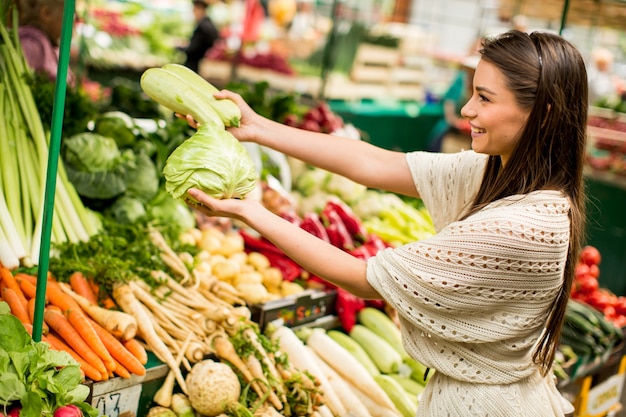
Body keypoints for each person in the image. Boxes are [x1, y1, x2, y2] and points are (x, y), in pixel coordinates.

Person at [186, 29, 587, 416]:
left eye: (484, 98)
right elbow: (375, 163)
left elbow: (362, 277)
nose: (467, 110)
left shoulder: (526, 227)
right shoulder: (498, 174)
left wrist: (250, 213)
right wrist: (258, 129)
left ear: (542, 114)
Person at [16, 0, 75, 85]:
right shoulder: (33, 47)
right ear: (46, 13)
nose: (74, 19)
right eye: (70, 13)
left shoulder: (49, 45)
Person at [180, 0, 220, 73]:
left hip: (194, 64)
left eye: (194, 10)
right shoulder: (209, 24)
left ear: (199, 9)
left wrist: (180, 47)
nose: (194, 13)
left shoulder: (203, 26)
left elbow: (193, 48)